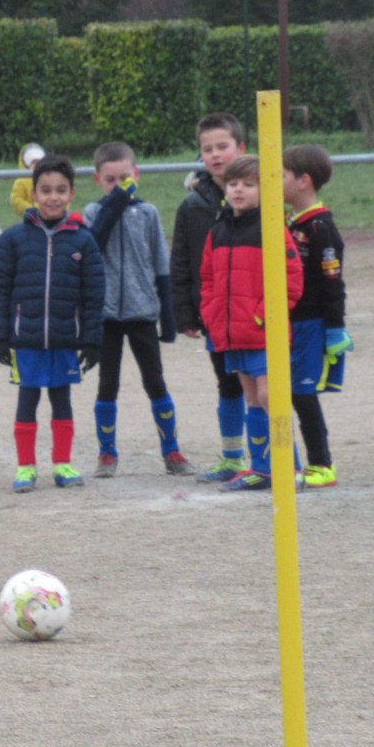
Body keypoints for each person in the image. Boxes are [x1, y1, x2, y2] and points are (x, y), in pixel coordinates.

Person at [0, 154, 106, 492]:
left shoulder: (84, 240)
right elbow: (0, 290)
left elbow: (94, 294)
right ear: (34, 193)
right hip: (26, 339)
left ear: (72, 194)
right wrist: (0, 336)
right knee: (27, 400)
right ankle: (26, 467)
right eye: (46, 190)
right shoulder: (12, 239)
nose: (53, 197)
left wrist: (92, 340)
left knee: (61, 400)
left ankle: (62, 464)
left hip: (65, 338)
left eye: (61, 190)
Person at [83, 141, 194, 478]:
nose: (119, 185)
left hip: (142, 311)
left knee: (155, 382)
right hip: (106, 316)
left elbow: (161, 265)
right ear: (98, 180)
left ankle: (171, 450)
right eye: (110, 180)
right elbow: (93, 244)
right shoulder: (93, 212)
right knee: (107, 385)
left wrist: (168, 318)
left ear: (137, 175)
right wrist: (115, 202)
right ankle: (107, 453)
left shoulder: (148, 213)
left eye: (125, 179)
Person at [199, 155, 304, 491]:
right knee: (252, 398)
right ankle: (261, 468)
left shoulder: (272, 228)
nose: (239, 190)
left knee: (270, 395)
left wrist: (263, 315)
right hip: (233, 333)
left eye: (248, 184)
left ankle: (291, 466)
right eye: (233, 184)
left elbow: (291, 280)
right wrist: (213, 313)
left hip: (263, 331)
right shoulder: (218, 230)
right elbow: (207, 278)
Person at [170, 112, 250, 483]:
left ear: (241, 148)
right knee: (227, 382)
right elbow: (181, 262)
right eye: (207, 149)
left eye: (223, 146)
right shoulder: (193, 205)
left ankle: (271, 458)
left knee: (261, 383)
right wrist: (185, 314)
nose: (215, 155)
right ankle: (232, 458)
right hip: (216, 313)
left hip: (253, 311)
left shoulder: (261, 197)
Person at [283, 144, 352, 488]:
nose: (273, 182)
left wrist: (335, 327)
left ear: (303, 181)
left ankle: (322, 464)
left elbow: (332, 282)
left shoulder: (320, 227)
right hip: (288, 321)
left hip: (310, 323)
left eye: (280, 175)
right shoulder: (289, 221)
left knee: (301, 392)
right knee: (285, 390)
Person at [10, 142, 46, 217]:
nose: (36, 164)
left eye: (38, 161)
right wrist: (32, 210)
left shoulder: (50, 177)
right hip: (31, 217)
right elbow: (17, 200)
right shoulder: (21, 181)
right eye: (33, 162)